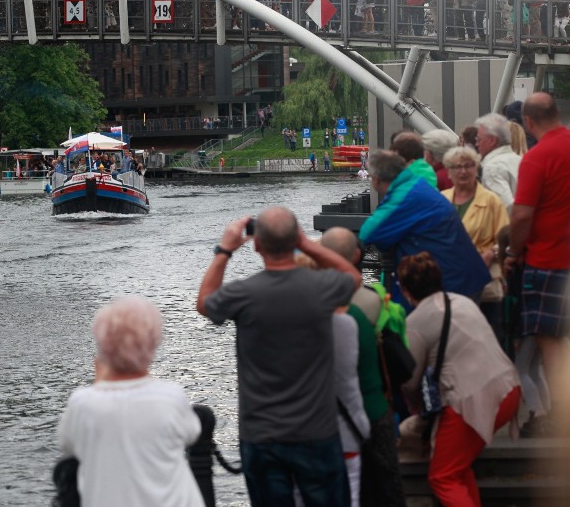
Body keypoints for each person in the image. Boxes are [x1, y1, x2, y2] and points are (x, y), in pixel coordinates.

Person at [197, 207, 361, 506]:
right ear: (295, 239)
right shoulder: (320, 288)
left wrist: (224, 250)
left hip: (262, 435)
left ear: (257, 245)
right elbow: (352, 276)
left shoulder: (244, 293)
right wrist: (307, 244)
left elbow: (205, 303)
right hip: (317, 431)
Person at [398, 252, 520, 507]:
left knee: (443, 476)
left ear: (407, 290)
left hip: (471, 400)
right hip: (508, 389)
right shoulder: (463, 302)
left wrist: (415, 408)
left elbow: (410, 380)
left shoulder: (415, 322)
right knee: (459, 466)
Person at [57, 296, 204, 507]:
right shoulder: (171, 397)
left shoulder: (83, 403)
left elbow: (68, 443)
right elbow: (192, 434)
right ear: (153, 343)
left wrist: (100, 384)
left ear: (102, 345)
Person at [321, 228, 406, 507]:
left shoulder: (309, 303)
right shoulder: (377, 300)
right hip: (373, 406)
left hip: (323, 415)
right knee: (384, 487)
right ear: (358, 255)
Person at [505, 92, 570, 429]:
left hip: (548, 260)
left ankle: (559, 410)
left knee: (550, 339)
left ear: (528, 122)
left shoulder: (537, 158)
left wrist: (513, 253)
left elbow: (521, 216)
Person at [359, 150, 490, 305]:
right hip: (462, 275)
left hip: (452, 283)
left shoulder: (404, 196)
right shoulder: (415, 184)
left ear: (376, 179)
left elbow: (368, 233)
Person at [441, 146, 509, 345]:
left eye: (469, 165)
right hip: (450, 281)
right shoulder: (442, 199)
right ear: (449, 171)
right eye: (457, 167)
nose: (463, 171)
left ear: (476, 168)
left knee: (485, 341)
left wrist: (490, 254)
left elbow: (505, 237)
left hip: (483, 281)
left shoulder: (491, 201)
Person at [474, 112, 522, 210]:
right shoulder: (519, 160)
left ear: (492, 141)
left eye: (479, 139)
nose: (476, 144)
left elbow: (505, 208)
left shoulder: (493, 168)